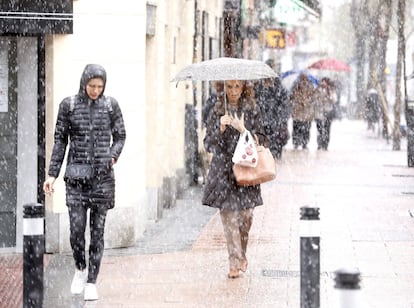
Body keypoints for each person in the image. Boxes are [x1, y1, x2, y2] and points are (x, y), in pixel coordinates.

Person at [43, 64, 126, 301]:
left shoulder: (111, 106)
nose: (96, 91)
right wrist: (52, 174)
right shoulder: (68, 106)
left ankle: (92, 280)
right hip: (76, 178)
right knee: (77, 230)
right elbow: (60, 141)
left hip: (102, 178)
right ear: (84, 83)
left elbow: (121, 135)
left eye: (100, 87)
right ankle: (80, 267)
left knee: (97, 233)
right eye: (92, 86)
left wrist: (112, 155)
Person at [202, 80, 266, 279]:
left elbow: (263, 139)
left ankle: (242, 253)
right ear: (224, 88)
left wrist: (244, 130)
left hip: (246, 170)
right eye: (229, 87)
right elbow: (208, 144)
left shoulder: (252, 109)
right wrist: (219, 129)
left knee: (246, 217)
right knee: (229, 217)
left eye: (237, 86)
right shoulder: (217, 110)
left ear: (243, 88)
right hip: (224, 170)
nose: (233, 91)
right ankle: (234, 261)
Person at [254, 77, 290, 159]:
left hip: (276, 121)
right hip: (262, 121)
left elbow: (285, 105)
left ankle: (274, 156)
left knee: (275, 143)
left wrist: (281, 118)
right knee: (263, 143)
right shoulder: (258, 88)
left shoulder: (279, 89)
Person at [289, 73, 315, 150]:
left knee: (306, 129)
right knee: (296, 128)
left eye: (305, 78)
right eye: (302, 78)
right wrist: (298, 101)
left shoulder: (310, 87)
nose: (303, 80)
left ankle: (304, 143)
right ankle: (296, 143)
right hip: (297, 112)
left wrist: (306, 101)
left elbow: (313, 99)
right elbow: (291, 98)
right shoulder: (295, 87)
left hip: (307, 113)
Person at [313, 77, 336, 150]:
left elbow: (334, 100)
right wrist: (319, 99)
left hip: (328, 112)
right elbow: (314, 100)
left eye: (325, 82)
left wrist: (329, 96)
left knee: (327, 129)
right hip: (319, 112)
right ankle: (319, 144)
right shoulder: (317, 90)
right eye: (322, 82)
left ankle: (325, 144)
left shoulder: (330, 90)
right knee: (319, 129)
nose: (323, 84)